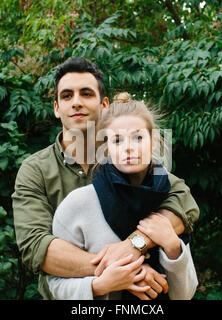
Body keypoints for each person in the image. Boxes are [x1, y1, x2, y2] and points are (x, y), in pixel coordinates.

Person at [12, 57, 199, 300]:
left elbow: (182, 199)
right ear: (56, 108)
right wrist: (125, 270)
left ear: (104, 105)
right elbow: (36, 247)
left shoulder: (127, 158)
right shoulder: (34, 169)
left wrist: (134, 244)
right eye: (67, 96)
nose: (76, 102)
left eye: (87, 94)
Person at [46, 93, 198, 300]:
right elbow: (56, 286)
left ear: (153, 142)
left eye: (138, 137)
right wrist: (100, 285)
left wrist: (172, 246)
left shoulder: (169, 200)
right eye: (117, 140)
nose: (128, 147)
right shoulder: (77, 204)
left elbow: (185, 294)